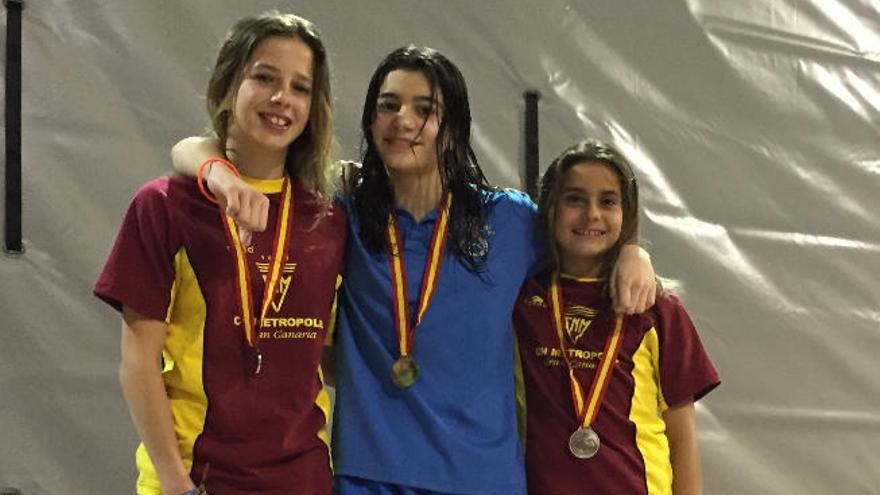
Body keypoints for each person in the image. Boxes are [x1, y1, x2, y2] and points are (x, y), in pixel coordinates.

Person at [171, 46, 656, 494]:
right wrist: (217, 174)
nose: (403, 121)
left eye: (425, 109)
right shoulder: (346, 211)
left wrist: (635, 251)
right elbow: (192, 148)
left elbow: (584, 235)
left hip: (482, 478)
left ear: (455, 129)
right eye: (389, 105)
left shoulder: (509, 220)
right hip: (370, 477)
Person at [94, 11, 345, 495]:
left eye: (300, 87)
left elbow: (328, 357)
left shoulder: (330, 220)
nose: (281, 99)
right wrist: (175, 483)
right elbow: (138, 362)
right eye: (264, 77)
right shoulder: (165, 206)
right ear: (229, 85)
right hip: (196, 479)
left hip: (304, 479)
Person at [513, 139, 720, 495]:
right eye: (574, 199)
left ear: (627, 213)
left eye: (608, 201)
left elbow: (682, 436)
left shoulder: (658, 307)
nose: (592, 214)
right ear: (549, 208)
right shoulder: (520, 300)